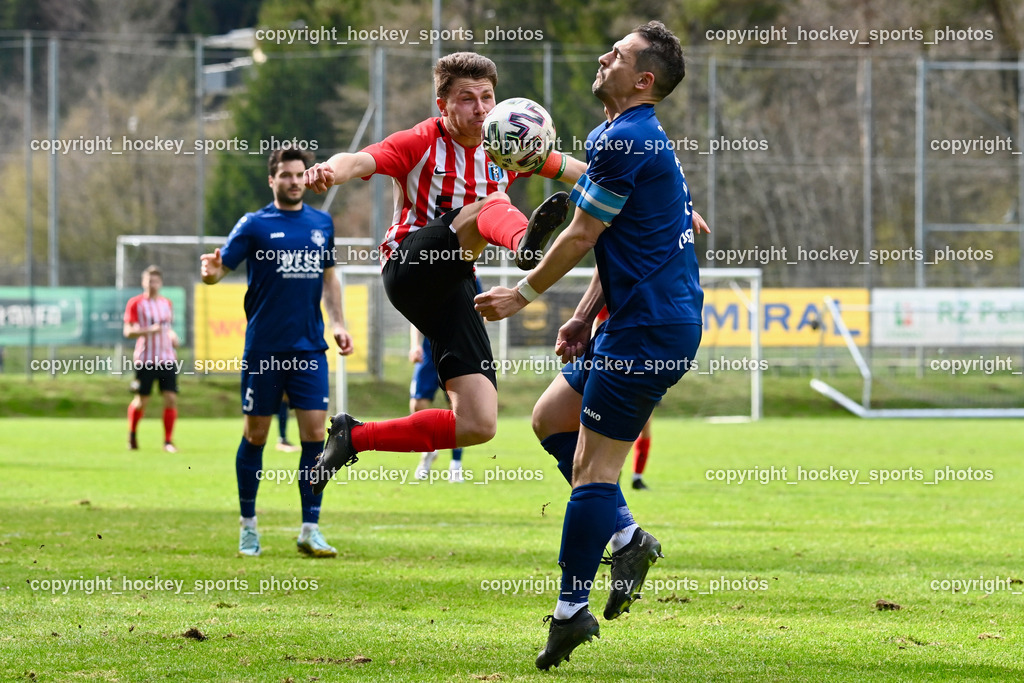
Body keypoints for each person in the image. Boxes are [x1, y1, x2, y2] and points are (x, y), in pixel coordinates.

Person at [473, 21, 707, 669]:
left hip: (649, 328)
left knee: (592, 468)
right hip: (631, 318)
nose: (604, 56)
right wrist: (581, 316)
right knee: (549, 417)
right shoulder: (618, 137)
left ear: (643, 80)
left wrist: (522, 294)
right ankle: (628, 535)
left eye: (619, 54)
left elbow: (581, 234)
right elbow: (629, 234)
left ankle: (571, 609)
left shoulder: (628, 138)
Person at [302, 51, 588, 492]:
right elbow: (358, 160)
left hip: (456, 283)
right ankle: (524, 244)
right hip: (409, 267)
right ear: (443, 105)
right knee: (493, 205)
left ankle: (353, 436)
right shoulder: (419, 141)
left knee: (478, 422)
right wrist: (327, 171)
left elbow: (586, 177)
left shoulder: (509, 142)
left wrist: (670, 207)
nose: (481, 109)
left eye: (488, 97)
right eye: (468, 99)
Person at [200, 148, 354, 558]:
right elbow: (220, 268)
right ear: (272, 180)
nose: (293, 181)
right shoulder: (253, 224)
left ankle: (310, 528)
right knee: (256, 437)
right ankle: (248, 527)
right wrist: (211, 273)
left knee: (313, 439)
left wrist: (338, 323)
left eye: (299, 174)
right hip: (264, 350)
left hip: (309, 350)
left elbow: (329, 277)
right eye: (285, 175)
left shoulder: (322, 223)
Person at [123, 264, 180, 452]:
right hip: (146, 359)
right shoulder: (136, 303)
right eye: (149, 280)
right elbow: (128, 331)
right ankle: (132, 434)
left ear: (160, 283)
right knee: (142, 401)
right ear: (143, 282)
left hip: (167, 358)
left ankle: (168, 441)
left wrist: (172, 335)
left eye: (155, 280)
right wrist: (148, 330)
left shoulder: (167, 303)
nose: (152, 284)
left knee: (170, 398)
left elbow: (167, 327)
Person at [409, 327, 464, 482]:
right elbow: (415, 316)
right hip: (429, 350)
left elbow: (483, 314)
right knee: (418, 405)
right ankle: (428, 449)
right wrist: (414, 345)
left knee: (458, 409)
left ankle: (456, 465)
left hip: (457, 351)